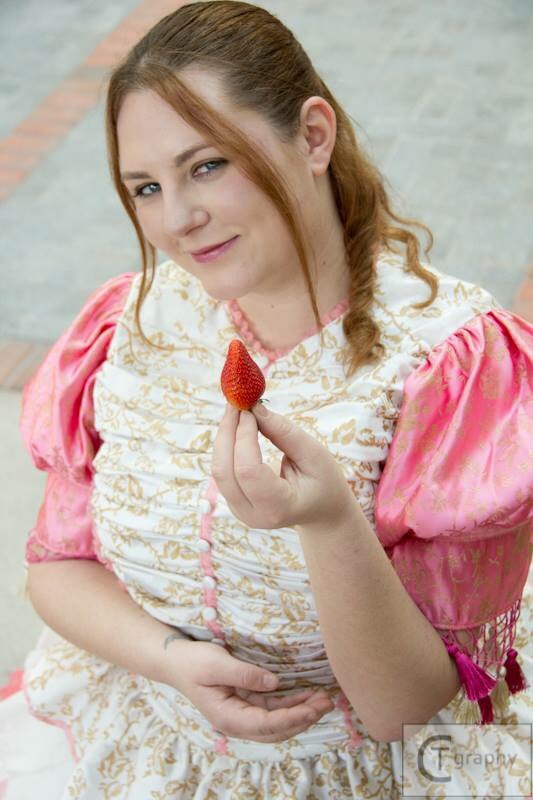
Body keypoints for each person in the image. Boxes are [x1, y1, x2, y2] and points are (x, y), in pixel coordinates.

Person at [0, 1, 531, 797]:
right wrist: (168, 659)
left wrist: (328, 521)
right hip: (142, 735)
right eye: (145, 187)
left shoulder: (449, 367)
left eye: (207, 165)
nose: (177, 220)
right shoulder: (125, 325)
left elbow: (408, 712)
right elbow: (57, 567)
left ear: (312, 136)